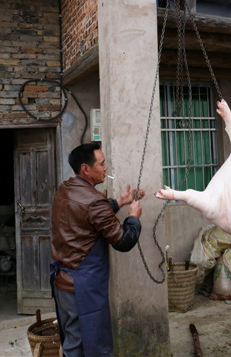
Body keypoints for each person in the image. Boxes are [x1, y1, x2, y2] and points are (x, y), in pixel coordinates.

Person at [50, 142, 144, 357]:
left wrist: (118, 202)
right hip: (84, 288)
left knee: (73, 341)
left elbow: (86, 217)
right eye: (102, 164)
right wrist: (133, 217)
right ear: (85, 168)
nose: (106, 168)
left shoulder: (66, 190)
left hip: (63, 281)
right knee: (92, 345)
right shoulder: (93, 201)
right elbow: (123, 241)